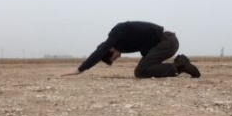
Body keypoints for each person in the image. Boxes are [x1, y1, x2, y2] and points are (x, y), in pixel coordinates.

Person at [61, 21, 200, 78]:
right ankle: (179, 65)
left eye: (114, 57)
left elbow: (100, 51)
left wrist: (80, 69)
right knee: (141, 70)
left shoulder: (116, 34)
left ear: (111, 50)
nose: (118, 57)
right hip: (167, 42)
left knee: (140, 71)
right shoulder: (123, 44)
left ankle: (179, 66)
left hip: (167, 42)